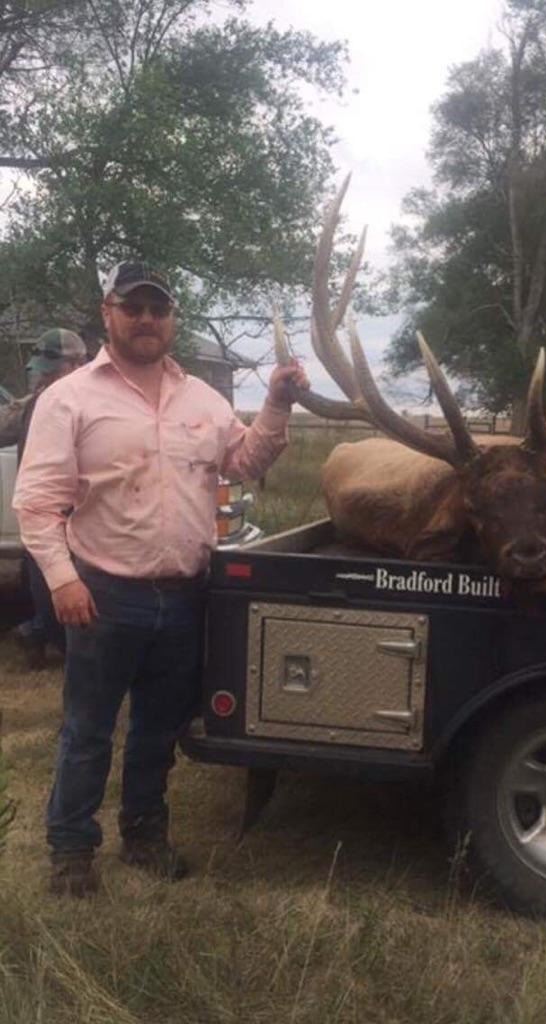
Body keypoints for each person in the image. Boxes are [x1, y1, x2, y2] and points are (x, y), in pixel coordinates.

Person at [13, 261, 308, 896]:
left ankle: (144, 836)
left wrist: (278, 404)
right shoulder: (68, 399)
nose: (146, 319)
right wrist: (62, 580)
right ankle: (72, 851)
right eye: (133, 307)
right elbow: (36, 503)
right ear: (108, 314)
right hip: (103, 595)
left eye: (158, 309)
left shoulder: (202, 399)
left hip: (185, 595)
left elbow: (244, 459)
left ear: (172, 319)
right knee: (88, 729)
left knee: (157, 730)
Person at [13, 329, 88, 667]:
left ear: (77, 364)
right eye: (43, 369)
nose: (44, 375)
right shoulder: (36, 403)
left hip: (77, 526)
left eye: (53, 368)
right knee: (56, 604)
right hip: (45, 524)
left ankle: (37, 633)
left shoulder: (90, 405)